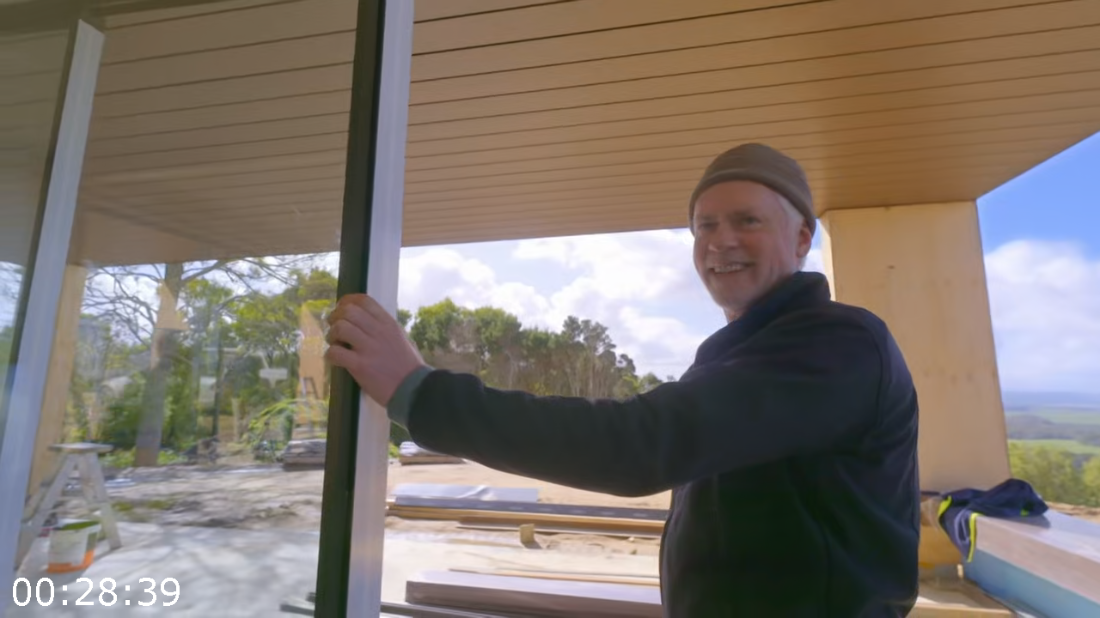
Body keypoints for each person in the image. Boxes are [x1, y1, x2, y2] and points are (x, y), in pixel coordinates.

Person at [324, 143, 921, 617]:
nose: (721, 241)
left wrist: (420, 392)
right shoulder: (744, 355)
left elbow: (638, 446)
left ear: (802, 238)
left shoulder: (837, 344)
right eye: (705, 225)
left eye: (747, 221)